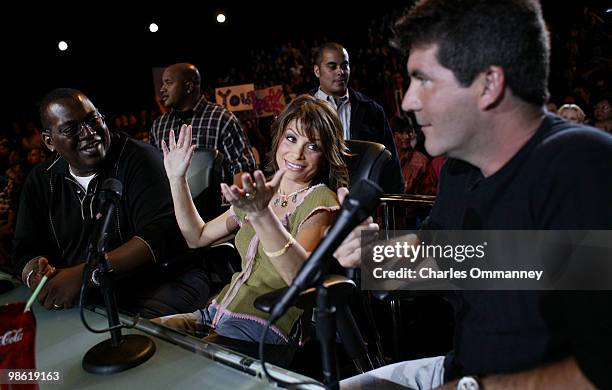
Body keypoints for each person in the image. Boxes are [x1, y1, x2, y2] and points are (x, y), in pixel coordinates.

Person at [335, 1, 612, 389]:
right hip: (460, 368)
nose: (408, 101)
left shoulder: (582, 166)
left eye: (424, 80)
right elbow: (451, 261)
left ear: (488, 84)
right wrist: (371, 254)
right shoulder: (460, 171)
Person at [156, 95, 348, 358]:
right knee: (146, 336)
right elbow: (197, 236)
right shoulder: (262, 191)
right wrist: (177, 179)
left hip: (264, 326)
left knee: (177, 362)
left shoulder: (322, 200)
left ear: (326, 154)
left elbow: (299, 279)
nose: (297, 153)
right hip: (214, 313)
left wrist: (261, 214)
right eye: (291, 138)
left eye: (312, 146)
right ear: (279, 138)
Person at [13, 88, 209, 318]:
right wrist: (34, 272)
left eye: (93, 120)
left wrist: (88, 273)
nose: (88, 133)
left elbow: (162, 234)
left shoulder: (140, 158)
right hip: (87, 295)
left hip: (161, 283)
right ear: (49, 141)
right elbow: (24, 249)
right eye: (71, 129)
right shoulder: (41, 180)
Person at [310, 43, 404, 193]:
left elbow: (390, 162)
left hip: (360, 201)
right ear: (317, 70)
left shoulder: (372, 110)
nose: (340, 72)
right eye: (332, 66)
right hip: (314, 199)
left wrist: (396, 208)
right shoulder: (301, 110)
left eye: (344, 66)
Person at [149, 63, 256, 186]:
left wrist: (234, 202)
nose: (162, 89)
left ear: (188, 87)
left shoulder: (222, 118)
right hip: (170, 204)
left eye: (168, 82)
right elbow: (153, 172)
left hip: (214, 204)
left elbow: (243, 166)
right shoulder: (158, 126)